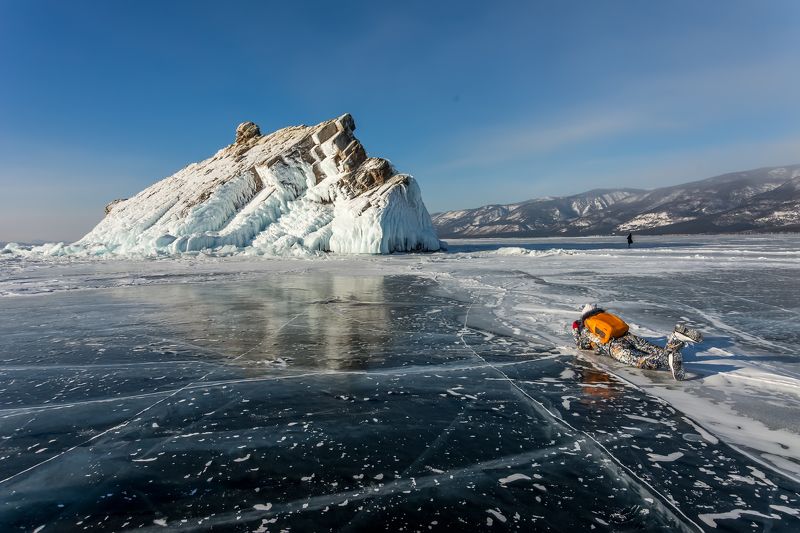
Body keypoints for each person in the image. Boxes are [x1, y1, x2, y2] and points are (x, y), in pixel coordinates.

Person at [571, 304, 702, 381]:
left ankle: (669, 359)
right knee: (656, 350)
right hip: (629, 336)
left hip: (614, 346)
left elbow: (582, 345)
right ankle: (675, 338)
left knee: (639, 360)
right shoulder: (605, 318)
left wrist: (576, 329)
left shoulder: (586, 327)